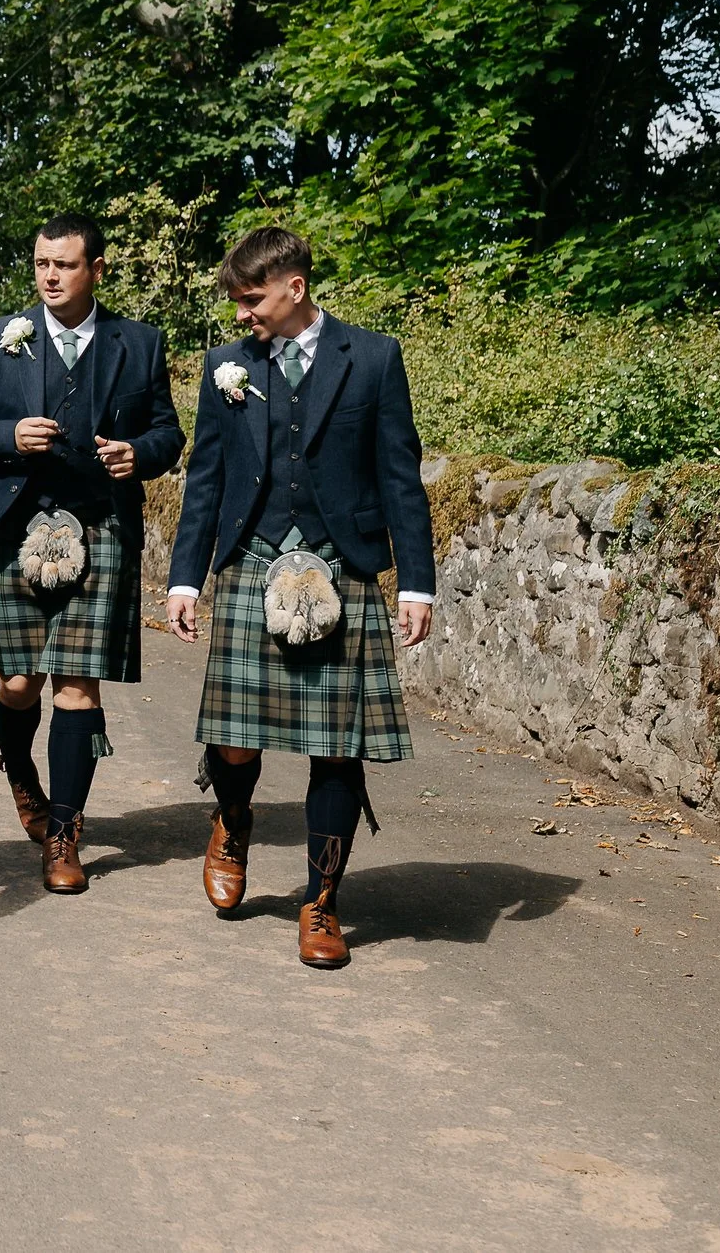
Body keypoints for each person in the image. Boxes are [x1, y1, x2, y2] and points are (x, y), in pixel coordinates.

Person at [166, 226, 433, 969]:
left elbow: (399, 476)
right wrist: (187, 575)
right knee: (233, 737)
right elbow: (206, 480)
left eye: (252, 299)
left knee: (337, 750)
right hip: (252, 565)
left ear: (296, 287)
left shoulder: (374, 358)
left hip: (341, 567)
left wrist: (415, 581)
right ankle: (232, 815)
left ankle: (322, 900)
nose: (242, 314)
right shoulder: (227, 365)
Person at [0, 212, 185, 893]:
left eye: (65, 264)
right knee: (19, 685)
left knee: (77, 682)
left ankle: (63, 832)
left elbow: (168, 431)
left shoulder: (139, 343)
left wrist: (141, 453)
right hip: (14, 527)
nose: (50, 274)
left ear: (96, 269)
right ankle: (22, 774)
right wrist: (9, 435)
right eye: (42, 262)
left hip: (99, 525)